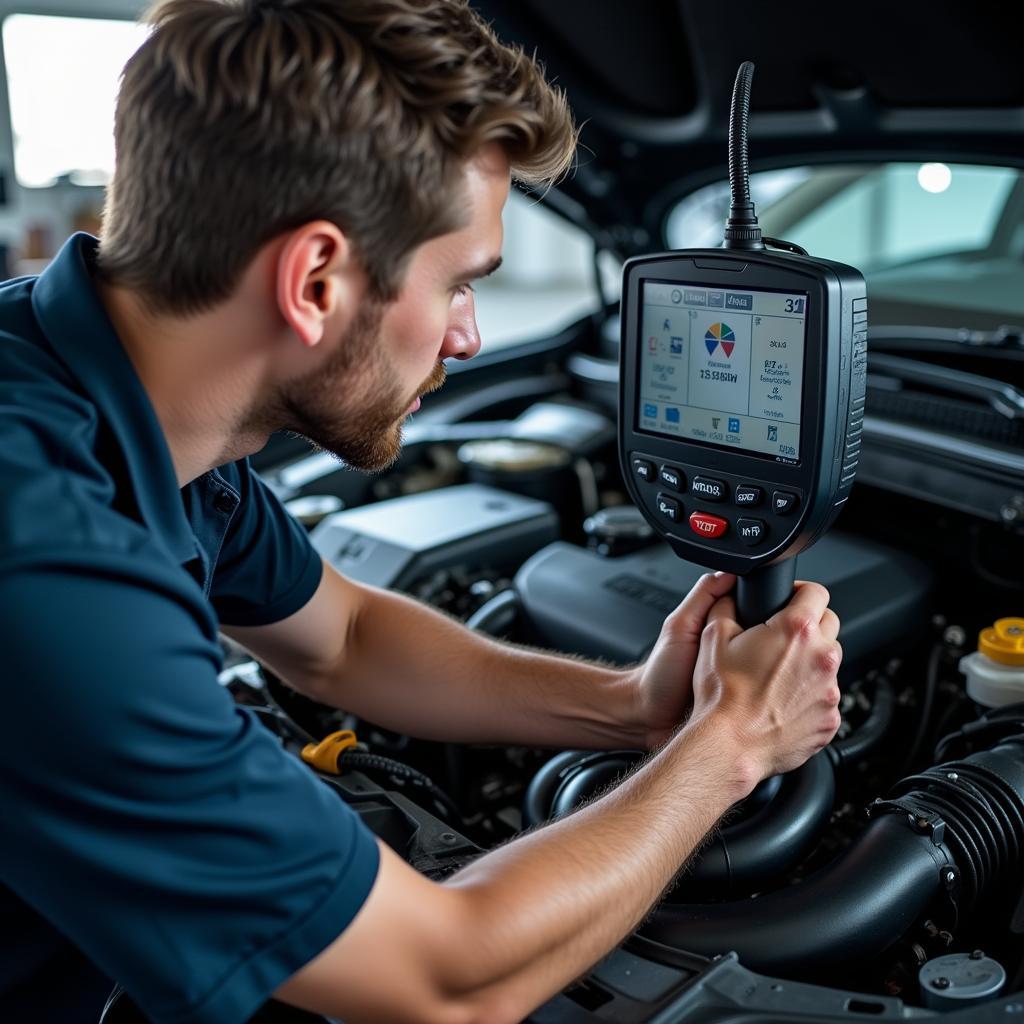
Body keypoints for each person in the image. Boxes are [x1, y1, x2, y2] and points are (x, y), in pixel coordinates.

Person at [0, 1, 843, 1022]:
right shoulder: (45, 553)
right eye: (457, 283)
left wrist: (637, 704)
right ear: (313, 279)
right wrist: (732, 746)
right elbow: (439, 981)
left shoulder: (115, 394)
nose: (470, 338)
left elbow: (340, 638)